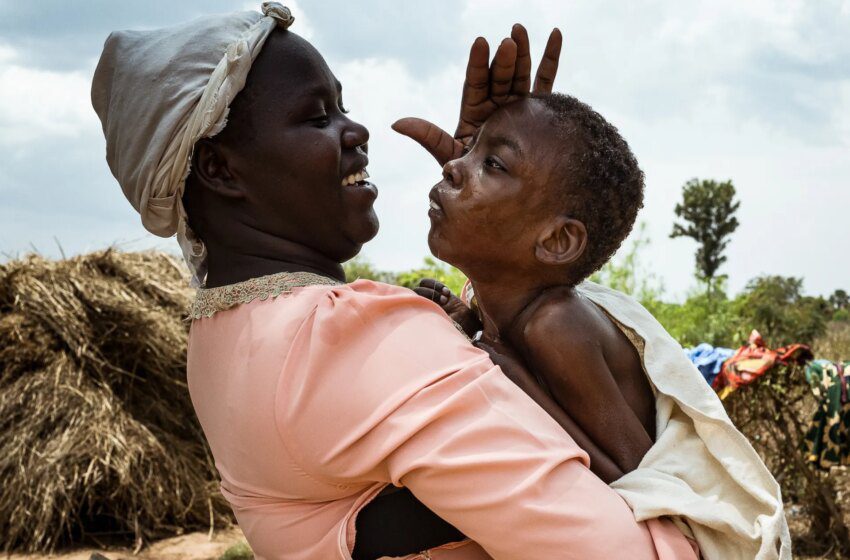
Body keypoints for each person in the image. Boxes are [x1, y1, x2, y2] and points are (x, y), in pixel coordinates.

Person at [92, 4, 700, 559]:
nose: (356, 132)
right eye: (316, 118)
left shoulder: (220, 340)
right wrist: (507, 203)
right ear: (222, 170)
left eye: (343, 107)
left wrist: (503, 216)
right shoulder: (355, 338)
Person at [396, 82, 792, 560]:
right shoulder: (502, 311)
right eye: (473, 151)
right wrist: (473, 329)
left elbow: (633, 477)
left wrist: (500, 368)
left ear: (558, 241)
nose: (453, 167)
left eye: (492, 164)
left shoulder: (555, 323)